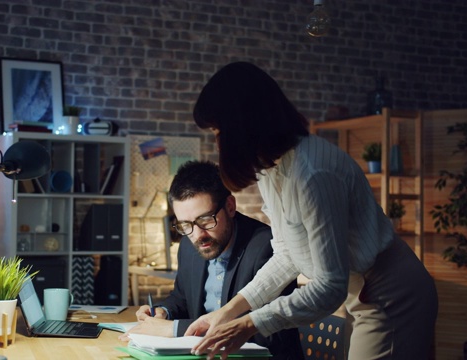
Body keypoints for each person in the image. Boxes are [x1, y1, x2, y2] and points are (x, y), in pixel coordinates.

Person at [185, 62, 438, 360]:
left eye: (218, 131)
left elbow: (330, 287)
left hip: (394, 295)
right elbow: (287, 256)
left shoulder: (312, 173)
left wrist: (250, 323)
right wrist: (228, 312)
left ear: (241, 125)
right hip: (363, 291)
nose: (218, 142)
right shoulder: (272, 168)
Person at [123, 160, 303, 359]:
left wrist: (174, 329)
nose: (198, 235)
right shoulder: (188, 245)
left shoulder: (268, 247)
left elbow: (269, 334)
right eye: (185, 225)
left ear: (230, 206)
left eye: (206, 220)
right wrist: (163, 313)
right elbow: (181, 298)